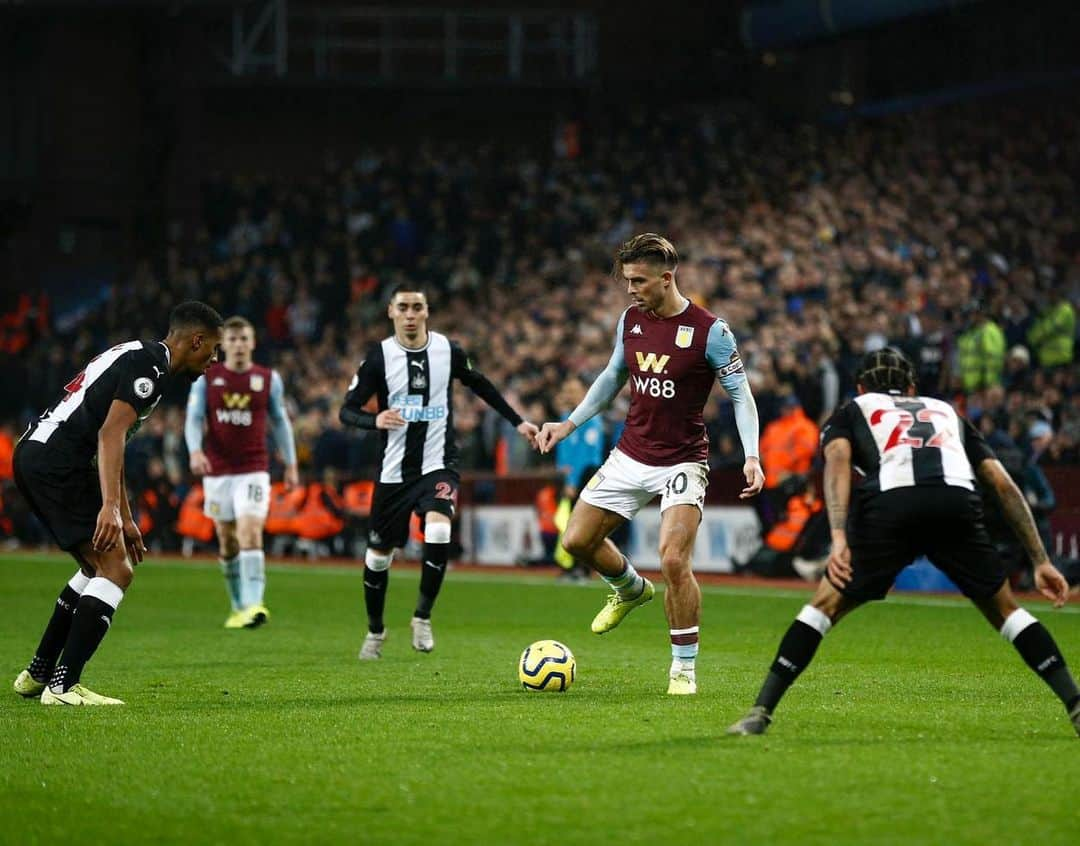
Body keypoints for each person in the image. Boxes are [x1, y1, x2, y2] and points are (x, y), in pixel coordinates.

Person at [727, 347, 1080, 737]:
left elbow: (839, 462)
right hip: (956, 503)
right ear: (911, 387)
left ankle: (760, 711)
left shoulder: (852, 410)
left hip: (891, 505)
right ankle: (1075, 704)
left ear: (861, 387)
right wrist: (1041, 560)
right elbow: (1002, 483)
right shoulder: (946, 411)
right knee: (1006, 611)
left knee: (824, 607)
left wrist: (839, 536)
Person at [537, 233, 764, 695]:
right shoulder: (631, 321)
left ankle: (683, 668)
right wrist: (569, 425)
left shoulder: (710, 331)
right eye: (627, 281)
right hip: (630, 453)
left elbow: (741, 395)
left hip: (683, 460)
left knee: (673, 560)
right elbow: (612, 377)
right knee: (577, 540)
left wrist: (752, 456)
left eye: (638, 281)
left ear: (667, 278)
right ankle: (629, 588)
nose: (630, 289)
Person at [12, 301, 223, 705]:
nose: (213, 359)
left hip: (40, 454)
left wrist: (124, 515)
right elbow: (109, 437)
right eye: (212, 349)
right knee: (116, 569)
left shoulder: (138, 354)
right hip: (58, 462)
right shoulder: (151, 369)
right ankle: (62, 686)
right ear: (195, 340)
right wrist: (109, 508)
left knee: (98, 564)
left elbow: (115, 445)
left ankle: (39, 673)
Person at [340, 285, 539, 658]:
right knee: (378, 556)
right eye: (404, 308)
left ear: (427, 311)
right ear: (391, 312)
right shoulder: (379, 358)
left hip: (439, 463)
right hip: (394, 472)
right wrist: (374, 419)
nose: (411, 314)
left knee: (438, 527)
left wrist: (518, 422)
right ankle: (375, 631)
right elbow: (346, 410)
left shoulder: (448, 351)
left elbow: (481, 384)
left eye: (417, 307)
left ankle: (422, 616)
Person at [185, 315, 299, 629]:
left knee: (250, 530)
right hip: (218, 471)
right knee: (227, 540)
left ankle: (254, 604)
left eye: (243, 339)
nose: (238, 345)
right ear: (224, 343)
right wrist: (195, 451)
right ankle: (237, 606)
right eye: (232, 340)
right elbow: (194, 419)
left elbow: (280, 422)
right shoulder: (207, 378)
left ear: (252, 343)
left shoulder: (267, 379)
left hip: (254, 469)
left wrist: (290, 464)